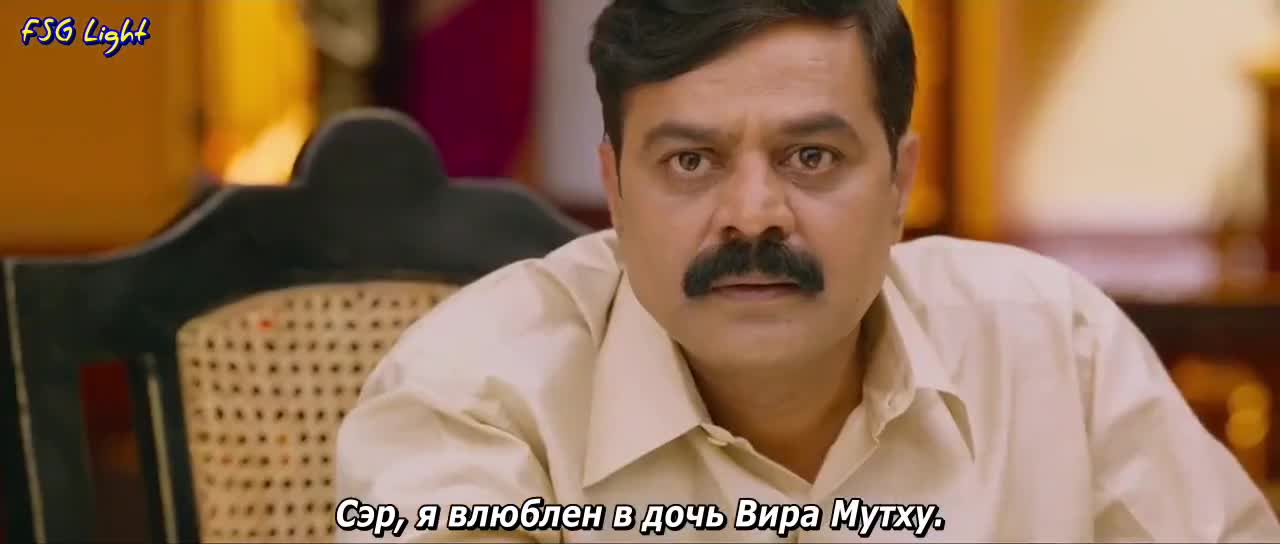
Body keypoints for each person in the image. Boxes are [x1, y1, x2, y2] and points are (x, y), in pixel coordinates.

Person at [335, 1, 1280, 541]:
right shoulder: (475, 395)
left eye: (812, 157)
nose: (753, 214)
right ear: (616, 191)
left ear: (900, 183)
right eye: (691, 161)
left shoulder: (1051, 347)